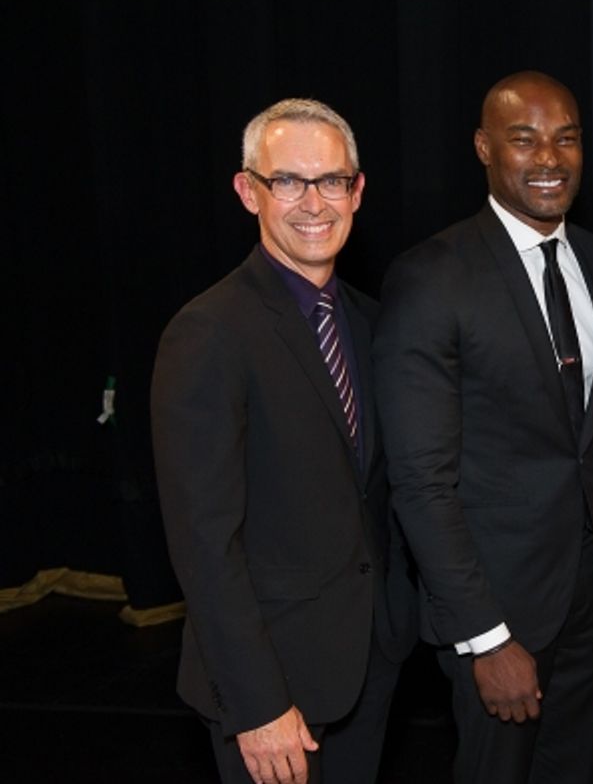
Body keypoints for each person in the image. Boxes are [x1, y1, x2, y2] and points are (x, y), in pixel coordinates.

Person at [151, 98, 416, 784]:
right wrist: (258, 704)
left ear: (357, 191)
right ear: (249, 191)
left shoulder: (369, 321)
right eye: (288, 182)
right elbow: (204, 542)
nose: (313, 202)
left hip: (367, 666)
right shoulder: (209, 331)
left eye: (330, 180)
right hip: (270, 687)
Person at [373, 71, 593, 783]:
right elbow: (420, 481)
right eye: (524, 139)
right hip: (498, 612)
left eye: (566, 138)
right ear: (484, 148)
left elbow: (585, 445)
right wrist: (485, 639)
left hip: (590, 601)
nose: (549, 157)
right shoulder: (432, 277)